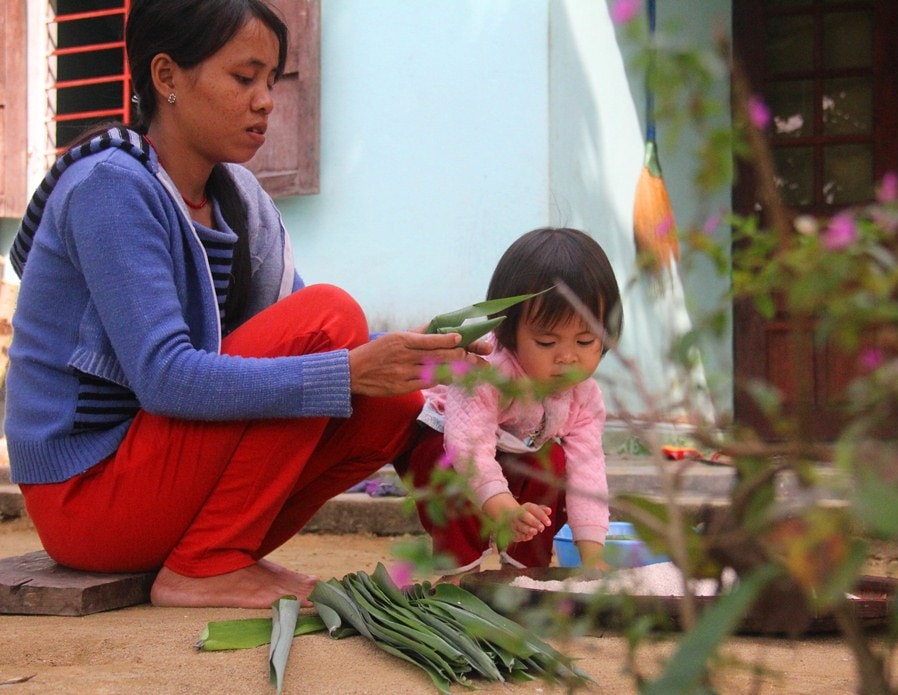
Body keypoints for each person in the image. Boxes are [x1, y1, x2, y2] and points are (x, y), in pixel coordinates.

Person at [3, 0, 481, 609]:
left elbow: (304, 339)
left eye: (272, 80)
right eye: (243, 77)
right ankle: (206, 564)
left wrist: (422, 353)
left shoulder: (236, 200)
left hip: (161, 474)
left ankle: (217, 552)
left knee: (392, 404)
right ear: (168, 77)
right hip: (89, 496)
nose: (265, 100)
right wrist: (348, 366)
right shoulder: (110, 188)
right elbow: (166, 378)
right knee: (334, 318)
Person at [399, 227, 622, 579]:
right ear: (510, 331)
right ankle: (459, 573)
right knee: (446, 469)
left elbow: (588, 473)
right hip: (450, 446)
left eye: (584, 340)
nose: (567, 358)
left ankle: (527, 571)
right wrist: (502, 507)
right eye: (547, 343)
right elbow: (467, 448)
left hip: (513, 451)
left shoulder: (584, 396)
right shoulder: (487, 371)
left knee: (555, 461)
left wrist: (592, 554)